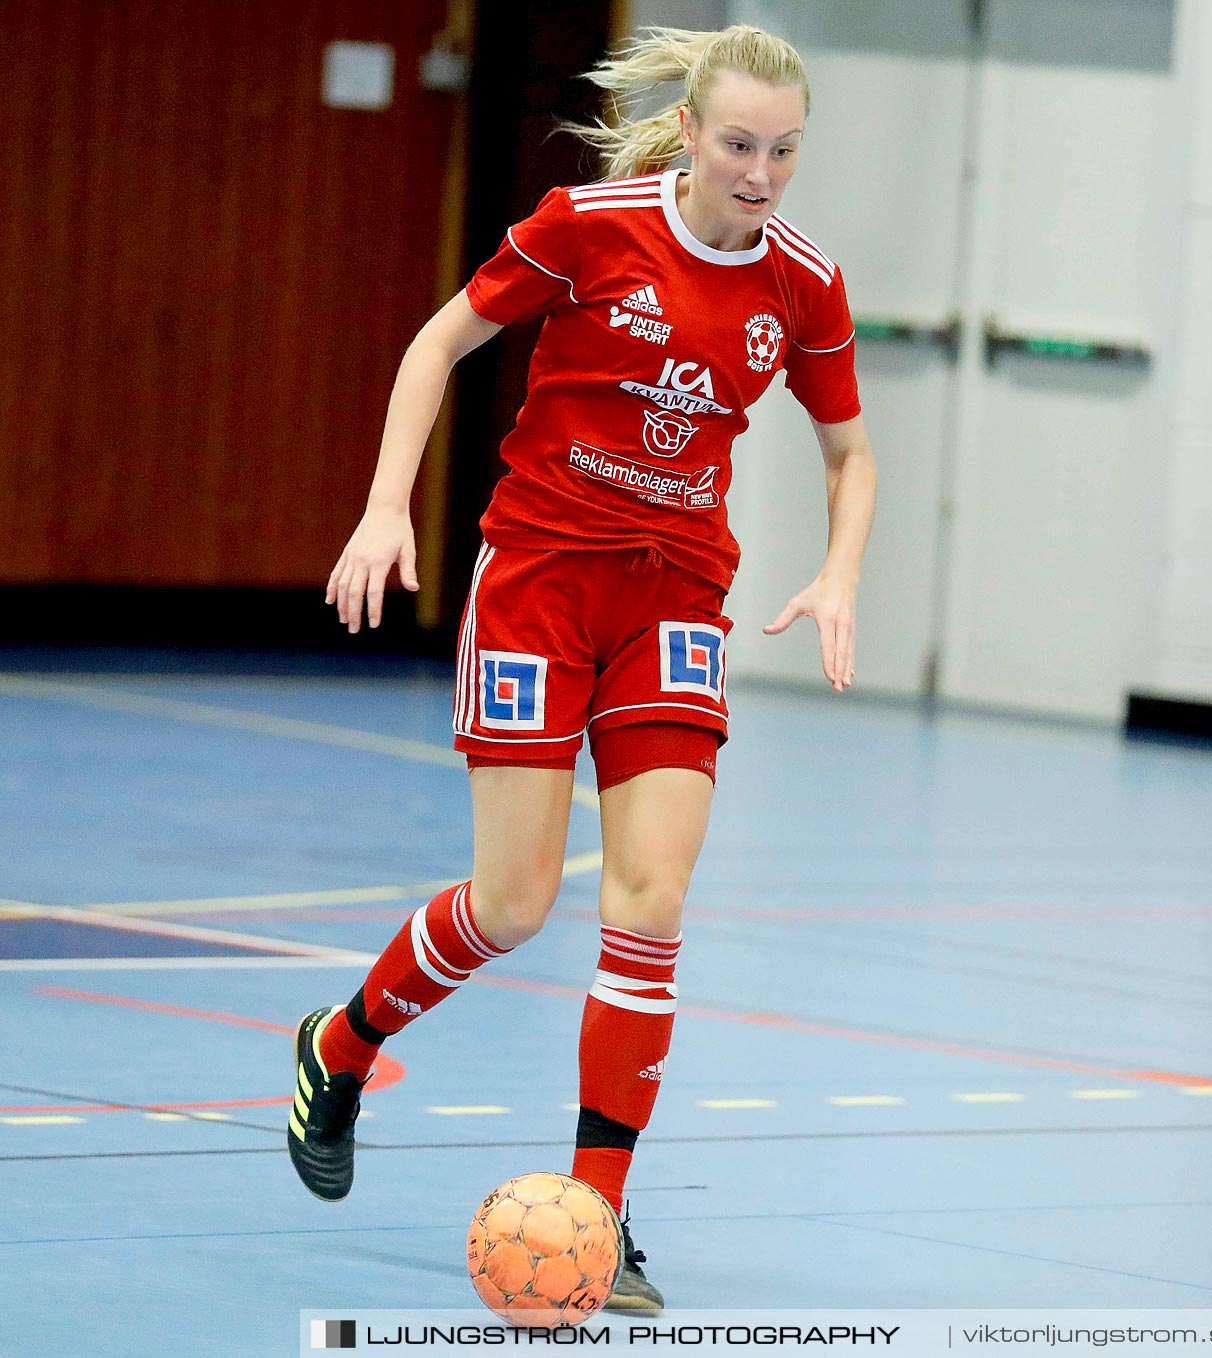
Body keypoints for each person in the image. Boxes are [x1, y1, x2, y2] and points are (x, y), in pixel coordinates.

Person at [284, 24, 875, 1316]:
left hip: (671, 594)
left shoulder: (804, 285)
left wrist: (838, 568)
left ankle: (599, 1217)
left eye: (784, 150)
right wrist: (389, 507)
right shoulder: (588, 225)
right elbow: (437, 346)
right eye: (738, 145)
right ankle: (342, 1042)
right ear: (694, 131)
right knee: (512, 902)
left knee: (652, 902)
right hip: (541, 580)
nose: (761, 172)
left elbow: (848, 452)